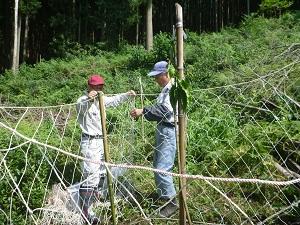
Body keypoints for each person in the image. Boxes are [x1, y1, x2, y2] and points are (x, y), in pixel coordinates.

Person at [76, 74, 135, 224]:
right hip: (89, 142)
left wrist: (126, 95)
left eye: (101, 86)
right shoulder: (82, 101)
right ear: (89, 87)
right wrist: (90, 98)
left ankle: (95, 199)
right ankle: (86, 211)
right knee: (91, 175)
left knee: (101, 171)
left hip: (101, 141)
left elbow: (114, 100)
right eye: (96, 86)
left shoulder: (100, 100)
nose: (99, 89)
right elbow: (83, 106)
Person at [130, 61, 178, 218]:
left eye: (157, 76)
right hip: (163, 129)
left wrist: (143, 111)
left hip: (169, 130)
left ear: (166, 74)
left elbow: (165, 110)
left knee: (163, 167)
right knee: (158, 164)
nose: (156, 80)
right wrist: (144, 112)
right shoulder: (166, 89)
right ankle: (165, 197)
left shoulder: (172, 88)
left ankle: (172, 203)